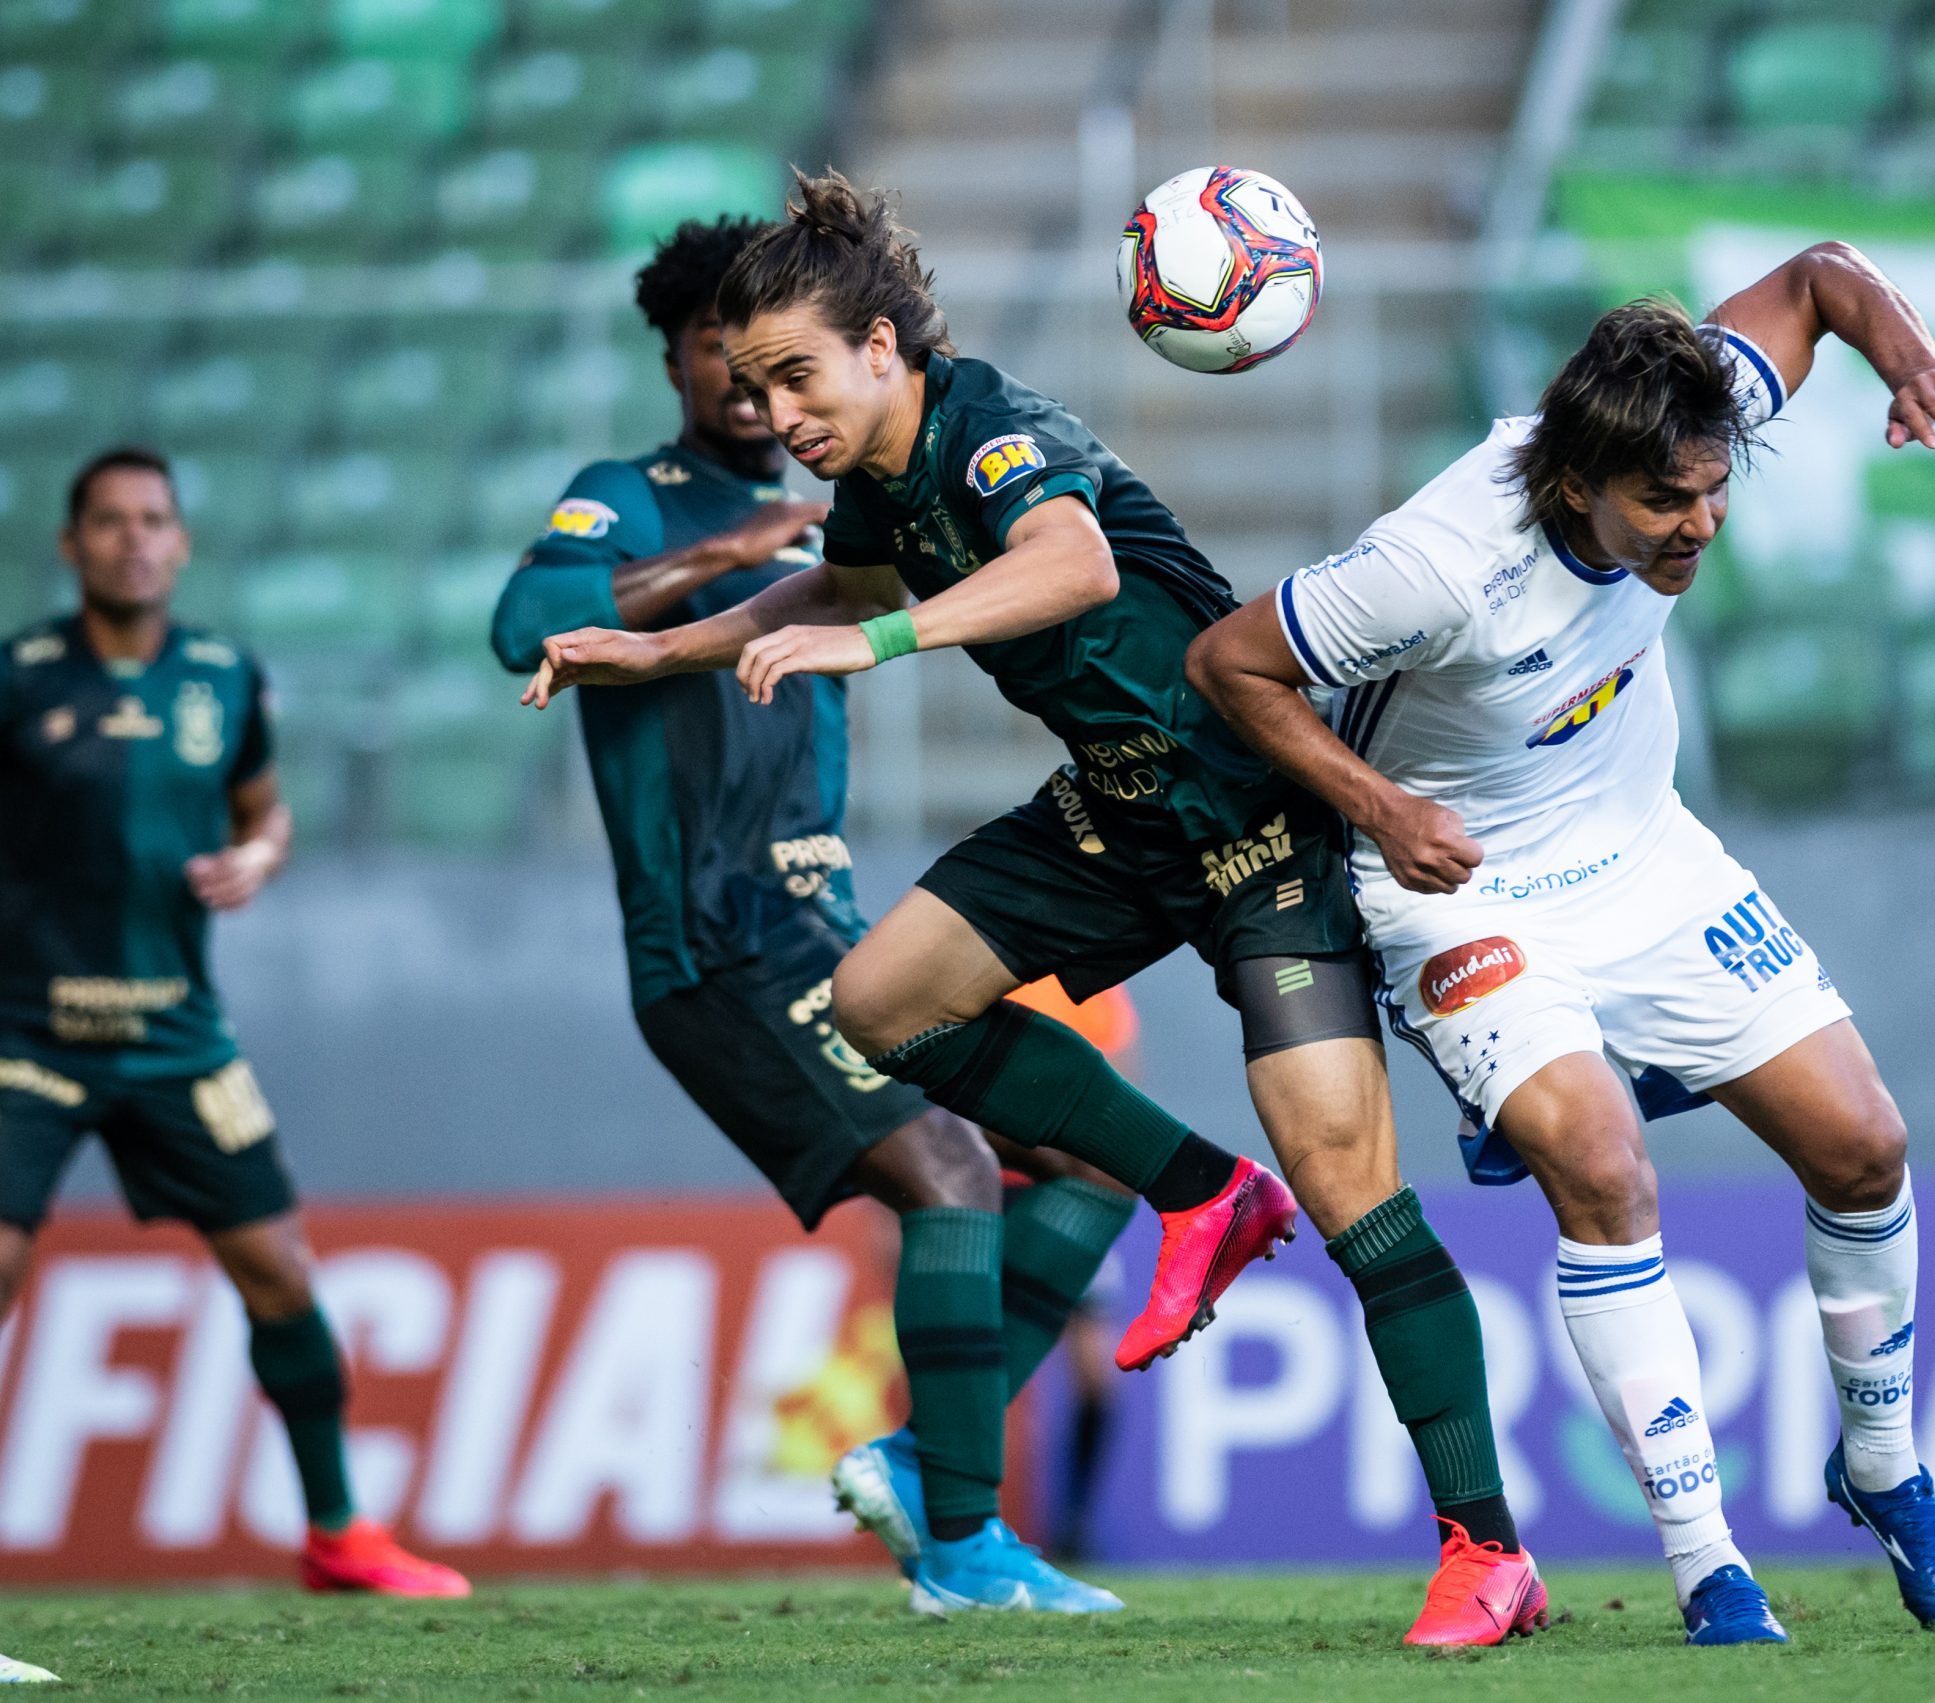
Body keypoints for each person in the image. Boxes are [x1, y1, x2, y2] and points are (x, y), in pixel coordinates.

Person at [523, 171, 1540, 1645]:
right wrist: (652, 646)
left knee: (1352, 1188)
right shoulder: (877, 478)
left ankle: (1486, 1547)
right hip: (1116, 808)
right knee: (884, 1005)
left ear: (886, 346)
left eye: (798, 374)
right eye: (756, 385)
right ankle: (1201, 1187)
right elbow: (824, 582)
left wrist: (880, 640)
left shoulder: (988, 423)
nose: (782, 411)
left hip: (1246, 805)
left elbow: (1074, 561)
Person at [1184, 253, 1935, 1644]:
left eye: (1715, 488)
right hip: (1464, 892)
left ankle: (1883, 1467)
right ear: (1576, 487)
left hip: (1643, 854)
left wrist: (1907, 357)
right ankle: (1708, 1564)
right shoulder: (1437, 564)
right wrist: (1381, 806)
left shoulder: (1680, 406)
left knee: (1866, 1143)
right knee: (1606, 1162)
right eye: (1667, 504)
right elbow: (1226, 664)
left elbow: (1815, 280)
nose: (1702, 524)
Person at [490, 218, 1127, 1616]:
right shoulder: (630, 492)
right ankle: (963, 1548)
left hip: (828, 923)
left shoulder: (852, 511)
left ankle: (924, 1460)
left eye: (779, 358)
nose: (754, 385)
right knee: (952, 1170)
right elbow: (528, 619)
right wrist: (741, 547)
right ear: (676, 351)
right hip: (713, 937)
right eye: (724, 347)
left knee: (1090, 1164)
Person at [0, 448, 466, 1599]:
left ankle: (337, 1531)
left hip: (178, 1036)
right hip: (32, 1035)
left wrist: (256, 856)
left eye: (152, 519)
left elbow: (265, 810)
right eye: (108, 521)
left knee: (281, 1270)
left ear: (181, 542)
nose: (133, 539)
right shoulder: (19, 677)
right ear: (71, 545)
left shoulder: (222, 674)